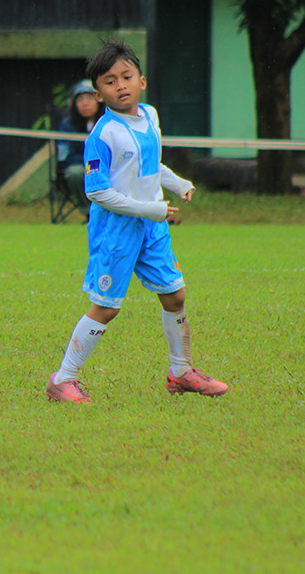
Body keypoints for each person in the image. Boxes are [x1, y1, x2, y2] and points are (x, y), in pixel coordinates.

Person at [45, 39, 228, 404]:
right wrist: (151, 209)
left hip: (152, 224)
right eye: (109, 82)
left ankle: (180, 372)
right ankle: (62, 380)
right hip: (116, 230)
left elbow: (148, 166)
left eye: (126, 76)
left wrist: (176, 184)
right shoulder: (102, 135)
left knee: (174, 294)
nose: (120, 85)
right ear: (98, 94)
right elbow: (97, 193)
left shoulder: (151, 116)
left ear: (141, 80)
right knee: (107, 307)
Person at [56, 79, 104, 207]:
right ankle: (88, 210)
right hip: (82, 166)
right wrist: (92, 164)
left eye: (89, 98)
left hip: (107, 166)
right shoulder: (67, 125)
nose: (85, 103)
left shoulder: (108, 121)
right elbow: (65, 157)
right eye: (80, 99)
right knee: (75, 173)